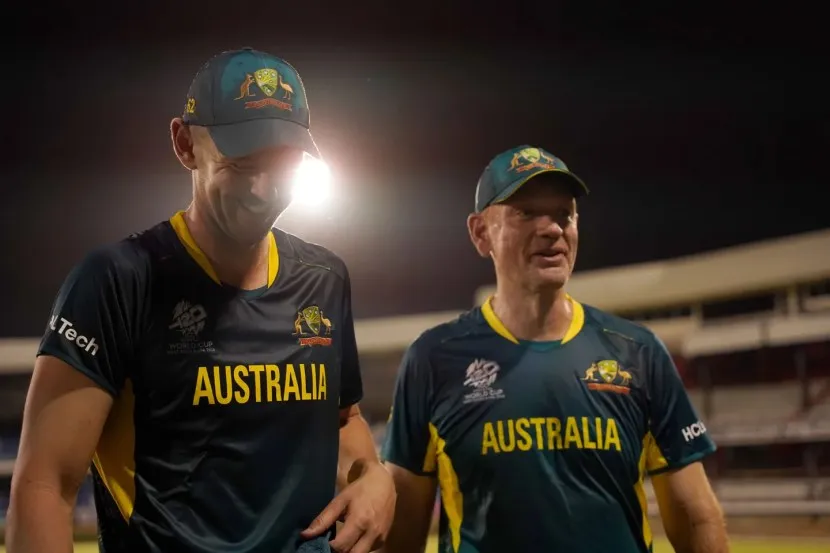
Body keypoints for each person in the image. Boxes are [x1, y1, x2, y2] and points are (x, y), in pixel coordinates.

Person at [7, 47, 395, 553]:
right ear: (185, 144)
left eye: (282, 164)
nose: (263, 188)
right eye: (240, 163)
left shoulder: (324, 278)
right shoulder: (117, 281)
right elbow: (45, 486)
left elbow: (344, 420)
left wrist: (373, 474)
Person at [380, 145, 729, 553]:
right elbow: (402, 525)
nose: (552, 228)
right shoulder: (434, 358)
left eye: (564, 214)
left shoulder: (638, 352)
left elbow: (696, 515)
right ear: (480, 233)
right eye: (526, 213)